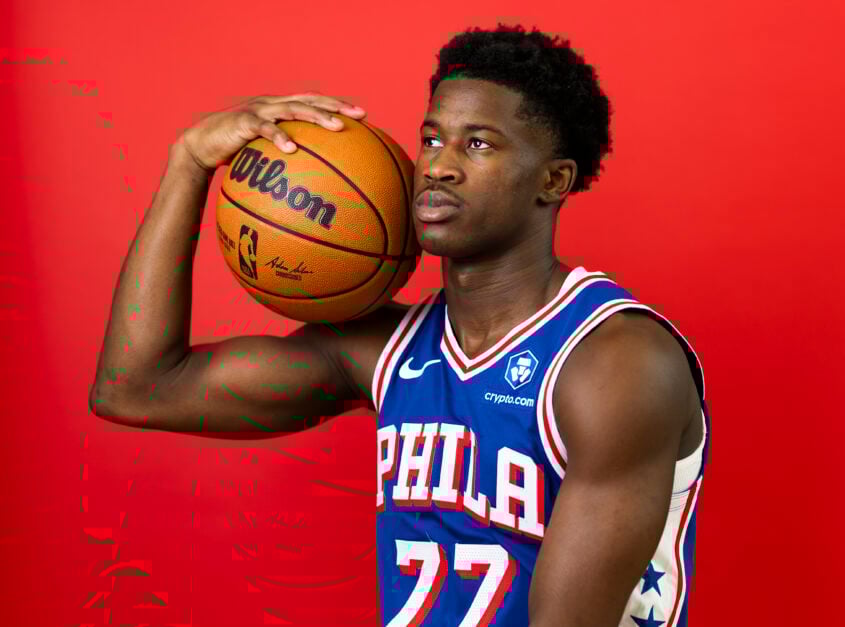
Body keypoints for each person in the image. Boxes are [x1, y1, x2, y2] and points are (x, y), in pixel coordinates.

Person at [91, 24, 709, 627]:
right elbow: (136, 386)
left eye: (479, 144)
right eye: (432, 139)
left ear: (553, 180)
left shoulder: (615, 363)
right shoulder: (387, 349)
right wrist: (190, 161)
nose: (437, 166)